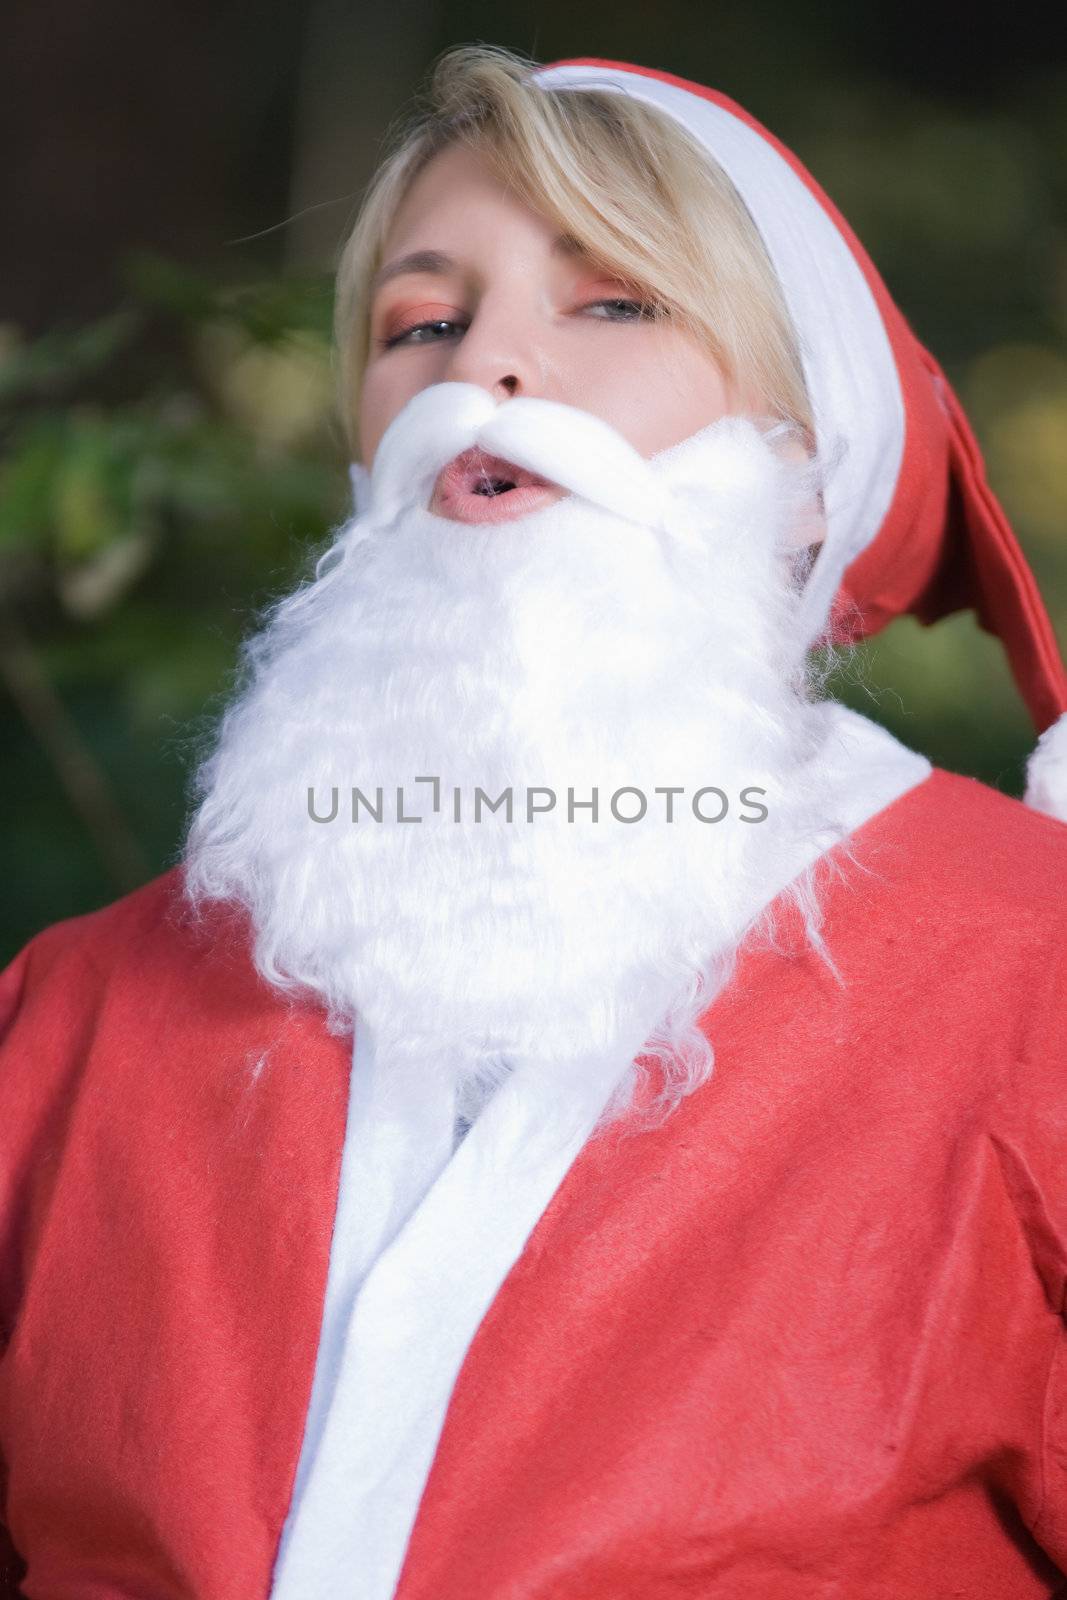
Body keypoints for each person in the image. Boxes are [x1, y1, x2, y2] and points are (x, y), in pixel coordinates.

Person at [1, 42, 1066, 1600]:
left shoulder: (1037, 964)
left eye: (614, 300)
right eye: (420, 323)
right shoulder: (69, 1018)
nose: (479, 370)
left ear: (807, 463)